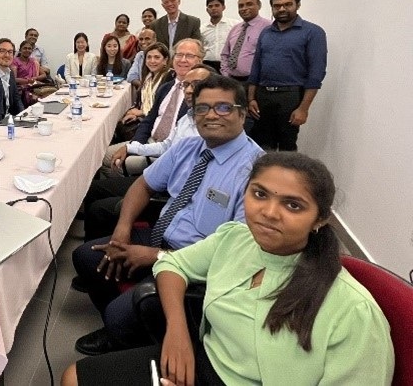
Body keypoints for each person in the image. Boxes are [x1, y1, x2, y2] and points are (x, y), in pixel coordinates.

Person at [64, 153, 394, 386]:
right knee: (74, 377)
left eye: (292, 205)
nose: (269, 212)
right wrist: (178, 334)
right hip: (204, 362)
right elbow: (173, 263)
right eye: (259, 194)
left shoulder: (353, 311)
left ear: (320, 219)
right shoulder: (235, 238)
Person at [72, 75, 264, 355]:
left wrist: (157, 258)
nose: (211, 115)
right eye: (201, 108)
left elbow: (234, 252)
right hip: (160, 235)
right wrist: (123, 229)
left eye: (223, 107)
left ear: (242, 113)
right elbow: (144, 184)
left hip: (197, 262)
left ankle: (126, 333)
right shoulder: (188, 147)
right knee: (86, 256)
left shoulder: (256, 171)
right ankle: (134, 316)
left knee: (118, 315)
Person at [84, 65, 214, 242]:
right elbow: (167, 146)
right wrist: (131, 148)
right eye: (186, 85)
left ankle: (104, 249)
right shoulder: (187, 118)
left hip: (172, 191)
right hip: (162, 178)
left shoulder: (211, 128)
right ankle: (102, 243)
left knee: (98, 209)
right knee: (93, 190)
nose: (189, 90)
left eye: (196, 84)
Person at [101, 39, 203, 179]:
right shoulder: (167, 87)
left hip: (170, 151)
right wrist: (135, 145)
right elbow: (149, 120)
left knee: (120, 162)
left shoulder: (202, 93)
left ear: (201, 60)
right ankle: (128, 186)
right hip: (150, 140)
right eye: (179, 55)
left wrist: (135, 150)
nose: (183, 60)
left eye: (190, 56)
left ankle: (139, 187)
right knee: (103, 156)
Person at [248, 0, 327, 151]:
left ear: (297, 5)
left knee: (287, 146)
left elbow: (316, 74)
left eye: (287, 4)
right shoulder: (266, 32)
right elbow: (256, 66)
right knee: (260, 144)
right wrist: (251, 99)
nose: (282, 9)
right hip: (263, 95)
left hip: (290, 96)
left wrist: (303, 108)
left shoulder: (313, 32)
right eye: (277, 6)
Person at [117, 42, 171, 140]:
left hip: (156, 125)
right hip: (145, 118)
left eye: (157, 57)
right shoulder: (148, 77)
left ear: (165, 60)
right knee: (119, 124)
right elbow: (140, 102)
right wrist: (133, 113)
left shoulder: (169, 78)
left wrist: (141, 113)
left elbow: (165, 109)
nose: (152, 61)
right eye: (149, 57)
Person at [220, 0, 272, 83]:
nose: (244, 8)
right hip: (232, 80)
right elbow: (225, 54)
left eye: (249, 4)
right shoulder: (235, 28)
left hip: (256, 82)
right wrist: (226, 74)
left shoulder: (269, 27)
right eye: (241, 6)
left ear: (259, 5)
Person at [201, 0, 239, 73]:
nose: (213, 8)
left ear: (223, 7)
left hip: (228, 64)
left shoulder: (234, 25)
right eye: (210, 6)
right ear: (207, 9)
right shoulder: (202, 29)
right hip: (207, 64)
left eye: (217, 5)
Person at [0, 38, 24, 116]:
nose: (7, 55)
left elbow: (16, 98)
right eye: (2, 51)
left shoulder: (10, 73)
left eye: (10, 52)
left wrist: (23, 114)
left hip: (9, 117)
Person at [12, 39, 47, 106]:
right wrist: (28, 81)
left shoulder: (33, 61)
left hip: (34, 85)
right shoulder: (15, 62)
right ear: (20, 50)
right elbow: (14, 79)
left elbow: (44, 75)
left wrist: (35, 78)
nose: (27, 50)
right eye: (25, 48)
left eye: (29, 49)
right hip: (21, 88)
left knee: (49, 93)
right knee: (36, 98)